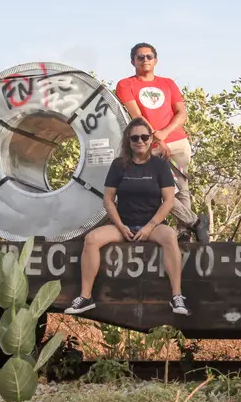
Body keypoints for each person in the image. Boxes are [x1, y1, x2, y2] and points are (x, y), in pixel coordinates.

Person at [65, 117, 189, 317]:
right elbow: (108, 199)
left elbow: (168, 201)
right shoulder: (118, 165)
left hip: (152, 225)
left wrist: (150, 226)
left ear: (150, 140)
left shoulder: (160, 165)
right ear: (128, 141)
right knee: (91, 239)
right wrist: (121, 226)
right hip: (123, 225)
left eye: (144, 137)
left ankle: (177, 296)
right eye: (134, 138)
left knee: (170, 237)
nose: (139, 141)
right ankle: (85, 297)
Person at [115, 42, 210, 243]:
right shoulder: (126, 84)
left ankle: (184, 232)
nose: (145, 60)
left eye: (149, 56)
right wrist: (156, 140)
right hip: (147, 142)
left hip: (177, 140)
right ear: (133, 61)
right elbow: (137, 117)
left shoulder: (167, 83)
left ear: (156, 60)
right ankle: (196, 222)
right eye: (140, 57)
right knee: (156, 186)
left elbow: (182, 113)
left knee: (182, 187)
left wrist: (164, 134)